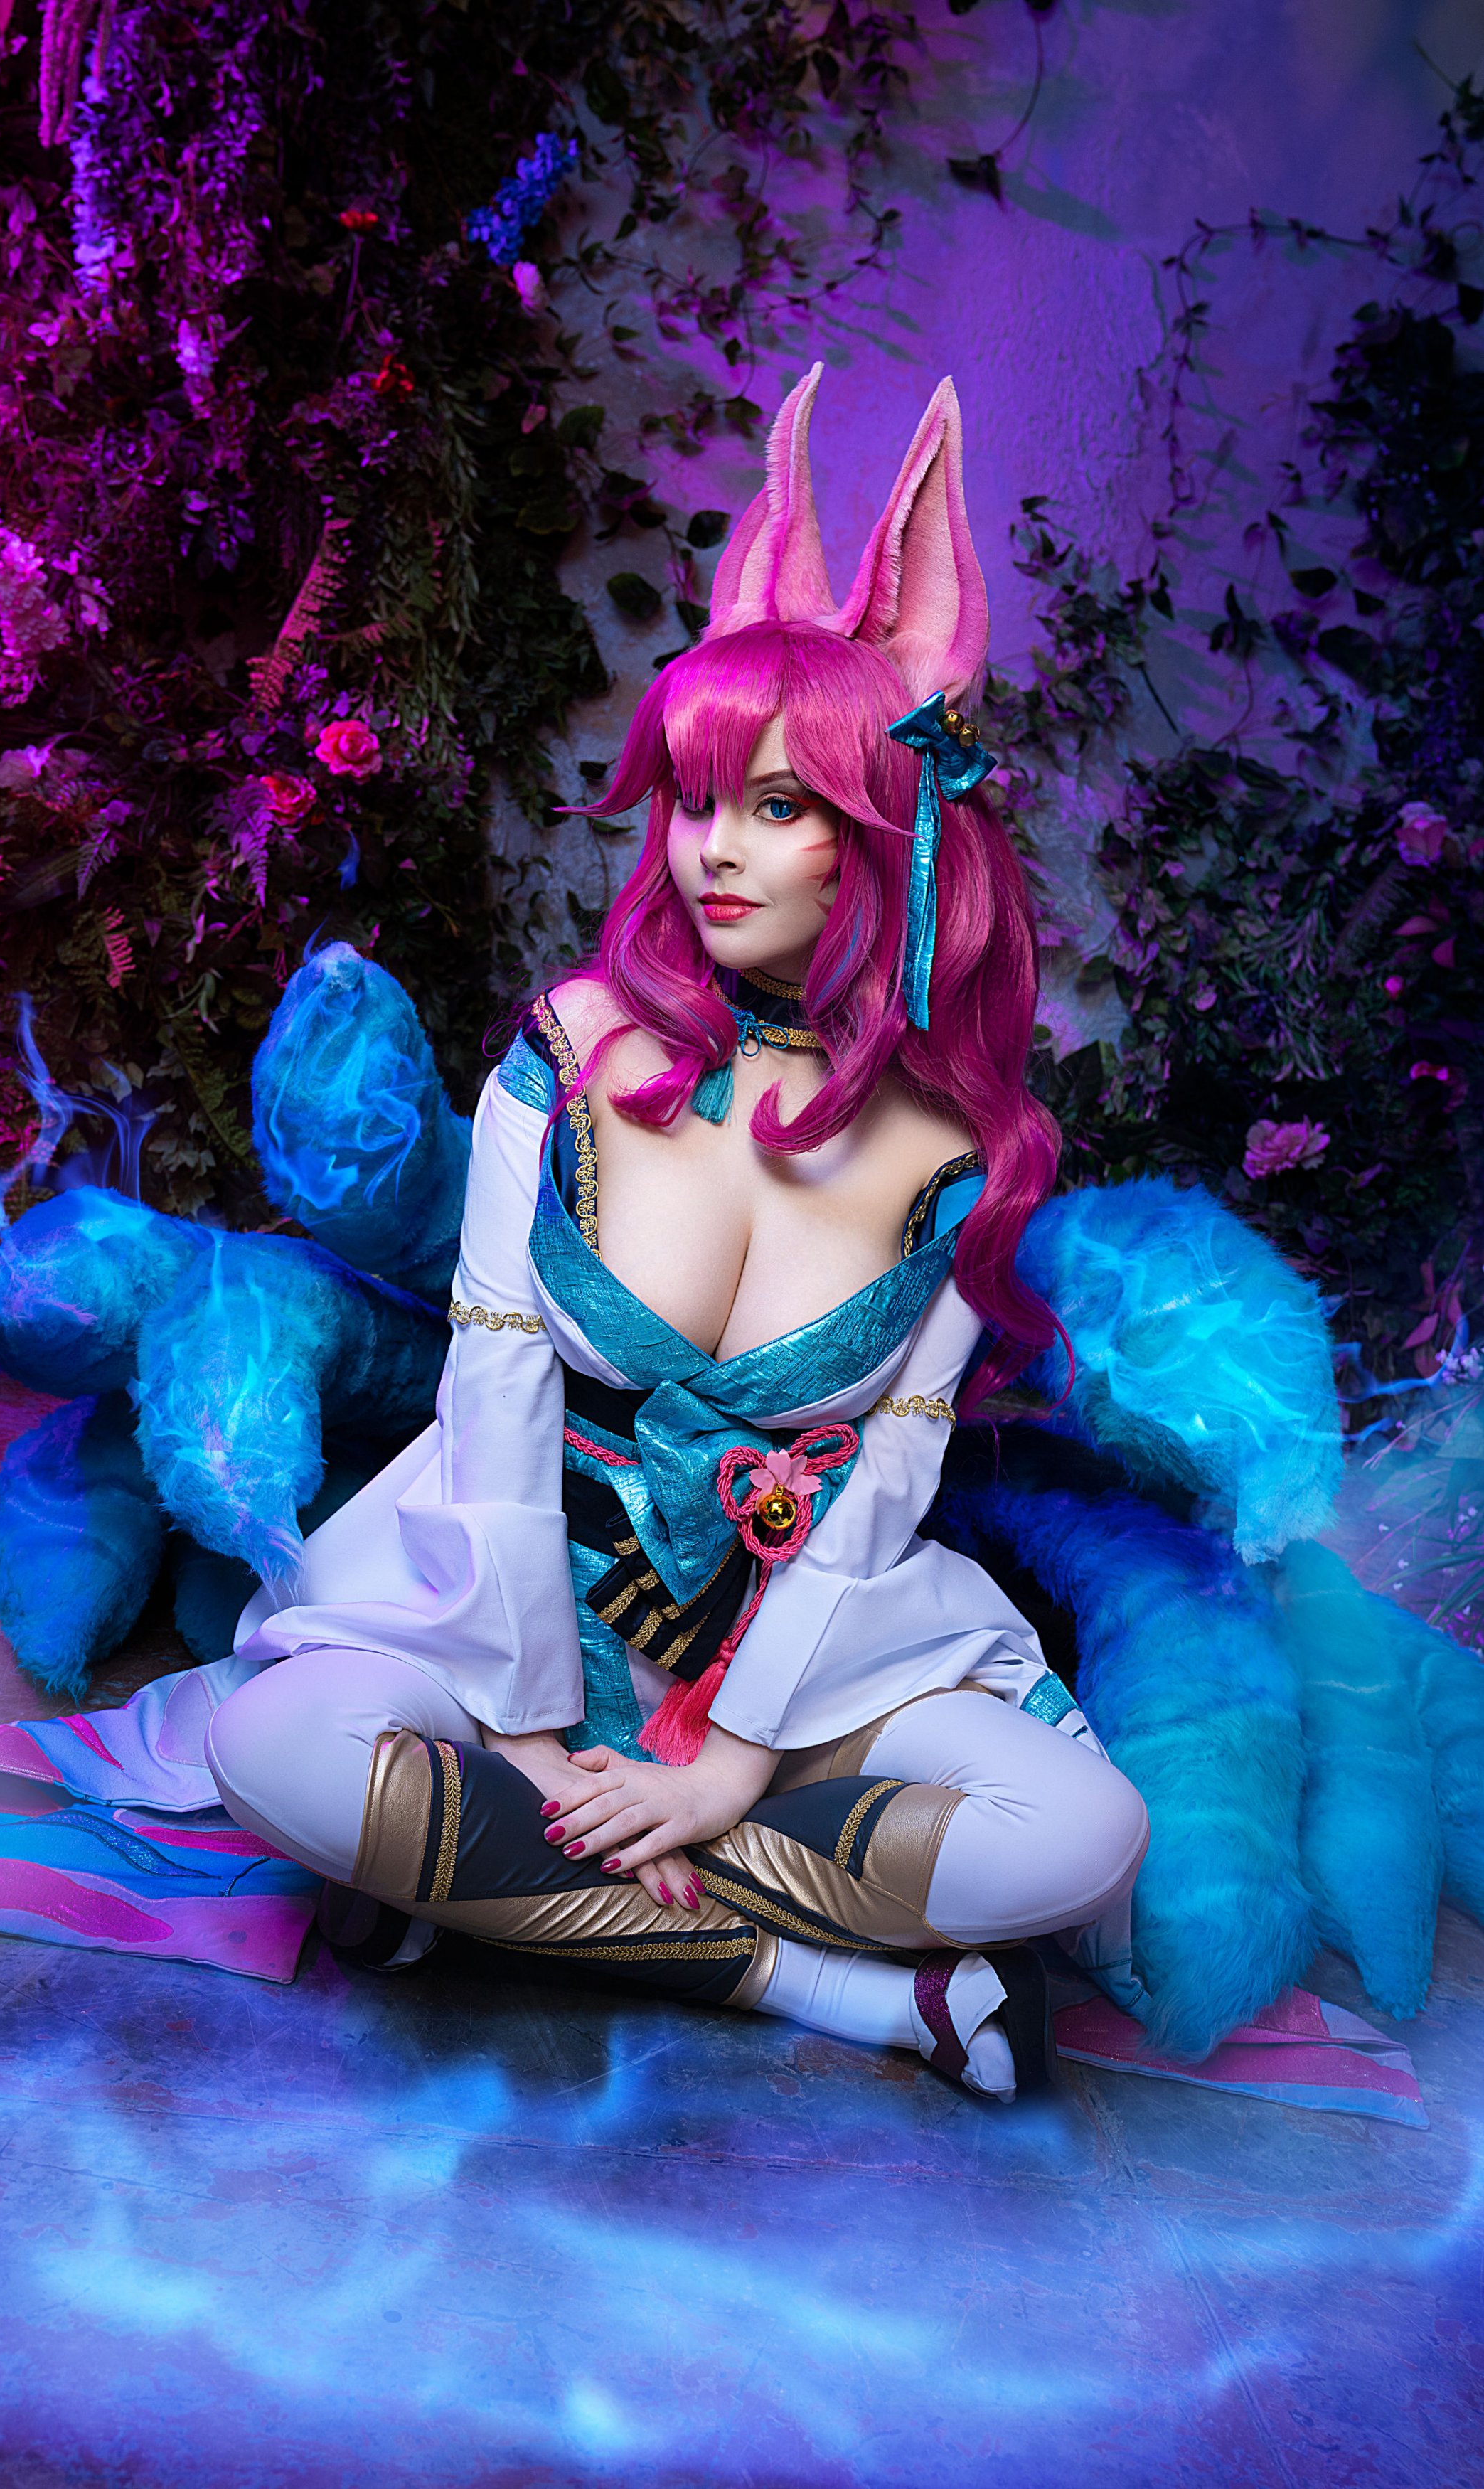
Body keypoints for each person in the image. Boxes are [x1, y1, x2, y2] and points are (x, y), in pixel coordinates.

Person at [204, 365, 1150, 2103]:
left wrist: (727, 1767)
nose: (714, 850)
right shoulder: (569, 1051)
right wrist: (521, 1728)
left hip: (799, 1648)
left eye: (777, 807)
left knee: (1083, 1839)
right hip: (510, 1608)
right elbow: (493, 1384)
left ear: (888, 835)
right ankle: (833, 1988)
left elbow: (888, 1475)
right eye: (698, 798)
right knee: (273, 1748)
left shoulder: (965, 1150)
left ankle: (480, 1893)